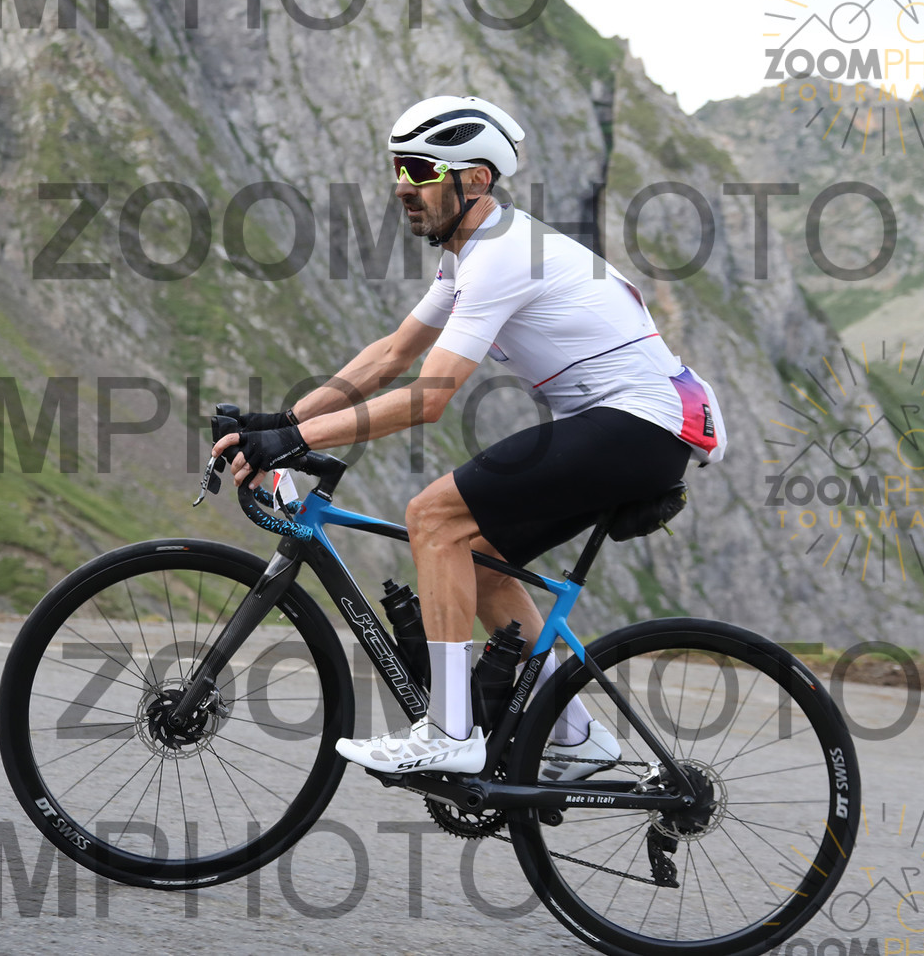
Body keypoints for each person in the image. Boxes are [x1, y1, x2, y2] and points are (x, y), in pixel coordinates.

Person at [211, 95, 723, 778]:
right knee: (478, 560)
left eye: (421, 170)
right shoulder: (472, 254)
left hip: (642, 421)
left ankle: (450, 733)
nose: (402, 186)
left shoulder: (504, 255)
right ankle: (575, 735)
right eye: (398, 168)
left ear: (476, 179)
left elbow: (429, 397)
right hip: (637, 426)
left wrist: (294, 438)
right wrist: (282, 425)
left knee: (433, 517)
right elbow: (392, 355)